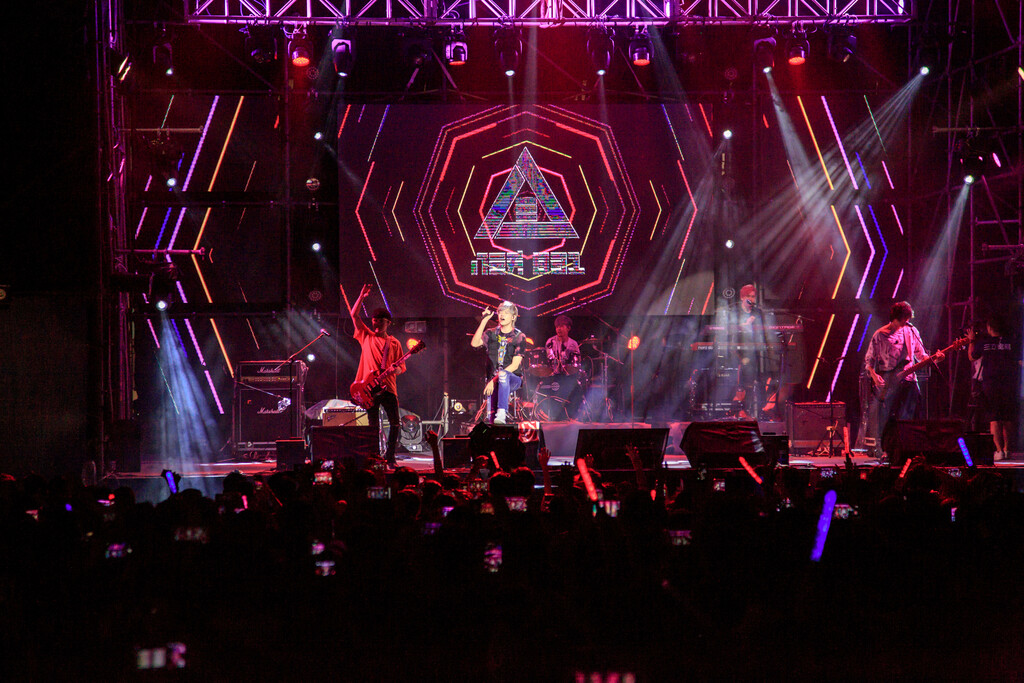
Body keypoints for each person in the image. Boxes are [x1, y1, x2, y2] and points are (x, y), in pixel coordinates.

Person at [864, 301, 944, 459]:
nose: (906, 322)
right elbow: (869, 361)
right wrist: (874, 375)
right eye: (903, 319)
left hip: (909, 380)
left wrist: (935, 358)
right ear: (895, 318)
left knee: (913, 416)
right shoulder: (880, 335)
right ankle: (889, 450)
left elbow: (921, 355)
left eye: (908, 319)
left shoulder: (911, 331)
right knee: (889, 418)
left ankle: (911, 450)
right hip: (888, 383)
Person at [350, 284, 406, 467]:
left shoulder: (394, 343)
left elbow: (402, 367)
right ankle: (374, 457)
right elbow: (354, 315)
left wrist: (395, 370)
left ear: (388, 323)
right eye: (374, 320)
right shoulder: (366, 336)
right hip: (369, 389)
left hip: (389, 388)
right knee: (372, 425)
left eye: (380, 321)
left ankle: (390, 456)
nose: (376, 323)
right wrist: (361, 296)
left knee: (395, 423)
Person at [968, 315, 1018, 461]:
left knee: (994, 418)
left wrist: (971, 340)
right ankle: (1007, 450)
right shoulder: (1012, 342)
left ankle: (998, 451)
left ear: (989, 328)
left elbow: (972, 357)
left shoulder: (985, 343)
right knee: (1008, 418)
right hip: (1009, 383)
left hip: (991, 384)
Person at [471, 301, 526, 424]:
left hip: (513, 379)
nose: (502, 315)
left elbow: (515, 365)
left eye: (506, 313)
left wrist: (494, 380)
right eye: (500, 312)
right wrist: (484, 320)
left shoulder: (519, 336)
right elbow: (474, 343)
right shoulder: (491, 333)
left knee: (503, 374)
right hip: (494, 381)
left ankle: (502, 413)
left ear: (513, 317)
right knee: (491, 418)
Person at [541, 315, 585, 420]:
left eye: (561, 326)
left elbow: (577, 361)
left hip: (568, 375)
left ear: (568, 328)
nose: (558, 329)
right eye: (557, 327)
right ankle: (551, 413)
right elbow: (548, 357)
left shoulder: (573, 344)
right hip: (554, 374)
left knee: (575, 387)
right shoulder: (550, 341)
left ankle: (572, 414)